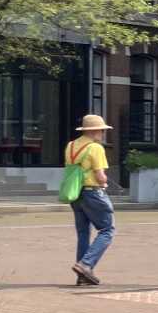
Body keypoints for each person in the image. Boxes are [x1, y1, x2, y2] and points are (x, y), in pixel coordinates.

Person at [66, 113, 116, 286]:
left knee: (83, 233)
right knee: (107, 230)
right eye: (102, 130)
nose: (103, 133)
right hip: (93, 192)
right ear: (94, 131)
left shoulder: (71, 146)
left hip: (76, 194)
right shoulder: (95, 148)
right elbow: (100, 176)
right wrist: (105, 182)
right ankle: (86, 265)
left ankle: (82, 276)